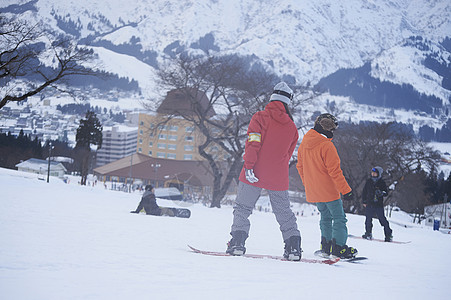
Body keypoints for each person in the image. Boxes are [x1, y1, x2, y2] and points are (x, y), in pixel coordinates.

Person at [226, 82, 302, 261]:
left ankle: (237, 243)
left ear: (272, 97)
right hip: (278, 176)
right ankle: (293, 248)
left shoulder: (259, 117)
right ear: (287, 101)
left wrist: (250, 165)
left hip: (255, 172)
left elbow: (253, 143)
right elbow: (287, 155)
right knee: (284, 212)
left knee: (243, 208)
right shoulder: (292, 127)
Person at [296, 113, 358, 259]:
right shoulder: (327, 146)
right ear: (328, 129)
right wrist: (346, 190)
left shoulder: (304, 144)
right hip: (329, 191)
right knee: (339, 218)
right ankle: (339, 248)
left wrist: (309, 184)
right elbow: (335, 172)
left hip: (314, 190)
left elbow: (300, 166)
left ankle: (326, 246)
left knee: (325, 217)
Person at [362, 166, 393, 242]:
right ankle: (368, 233)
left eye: (375, 173)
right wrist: (364, 201)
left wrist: (381, 193)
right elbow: (364, 192)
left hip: (378, 205)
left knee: (382, 220)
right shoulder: (369, 181)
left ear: (378, 174)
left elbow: (386, 193)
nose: (373, 174)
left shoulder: (381, 182)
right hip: (369, 204)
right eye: (372, 173)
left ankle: (388, 235)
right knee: (368, 220)